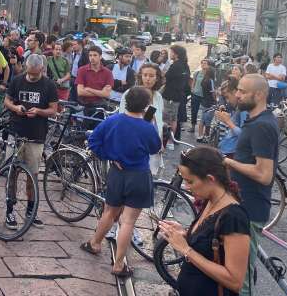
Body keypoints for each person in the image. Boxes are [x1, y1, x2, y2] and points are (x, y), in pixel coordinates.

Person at [80, 87, 162, 278]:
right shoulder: (147, 126)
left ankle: (94, 243)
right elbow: (155, 148)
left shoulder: (112, 120)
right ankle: (118, 264)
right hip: (139, 175)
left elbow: (93, 142)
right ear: (145, 106)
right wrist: (150, 124)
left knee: (109, 212)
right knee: (128, 221)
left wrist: (109, 155)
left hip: (117, 173)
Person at [159, 147, 250, 296]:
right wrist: (185, 233)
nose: (186, 186)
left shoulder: (234, 217)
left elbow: (235, 280)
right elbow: (209, 243)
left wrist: (186, 249)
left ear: (210, 179)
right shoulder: (210, 200)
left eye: (190, 181)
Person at [223, 74, 278, 296]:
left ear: (260, 94)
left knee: (240, 281)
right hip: (244, 205)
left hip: (251, 208)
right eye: (238, 90)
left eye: (243, 91)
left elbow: (264, 174)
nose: (237, 94)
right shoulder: (256, 120)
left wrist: (227, 161)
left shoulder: (261, 126)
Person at [3, 54, 59, 228]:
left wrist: (39, 111)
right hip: (16, 131)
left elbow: (53, 109)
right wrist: (15, 107)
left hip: (36, 135)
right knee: (12, 172)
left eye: (35, 74)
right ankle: (10, 210)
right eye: (29, 73)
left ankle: (30, 210)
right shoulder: (18, 80)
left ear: (42, 69)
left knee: (32, 175)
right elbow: (7, 101)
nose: (31, 77)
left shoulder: (49, 85)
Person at [119, 62, 165, 176]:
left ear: (157, 78)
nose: (148, 79)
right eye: (145, 75)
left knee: (150, 176)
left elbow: (159, 122)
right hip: (135, 144)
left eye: (151, 76)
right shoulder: (130, 94)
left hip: (152, 144)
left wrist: (161, 142)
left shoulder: (158, 96)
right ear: (140, 76)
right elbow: (122, 120)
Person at [162, 45, 190, 150]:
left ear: (176, 54)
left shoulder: (176, 65)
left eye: (171, 52)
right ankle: (171, 140)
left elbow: (165, 77)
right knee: (173, 119)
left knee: (168, 119)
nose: (170, 54)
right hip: (178, 96)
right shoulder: (184, 65)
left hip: (170, 96)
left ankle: (169, 141)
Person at [76, 44, 114, 121]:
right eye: (90, 55)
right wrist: (100, 92)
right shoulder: (82, 70)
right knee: (82, 131)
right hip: (84, 107)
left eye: (95, 55)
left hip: (100, 107)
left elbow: (106, 94)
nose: (92, 58)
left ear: (100, 56)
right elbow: (80, 92)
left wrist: (89, 89)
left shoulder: (108, 73)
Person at [215, 79, 248, 157]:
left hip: (232, 152)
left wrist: (228, 121)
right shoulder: (237, 108)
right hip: (227, 149)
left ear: (234, 92)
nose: (227, 101)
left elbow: (244, 135)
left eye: (227, 97)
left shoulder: (243, 110)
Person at [190, 59, 210, 133]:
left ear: (208, 65)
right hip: (196, 94)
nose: (203, 65)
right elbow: (193, 82)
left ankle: (203, 128)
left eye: (205, 63)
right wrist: (192, 89)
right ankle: (192, 126)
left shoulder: (209, 74)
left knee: (205, 113)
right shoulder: (197, 73)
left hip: (204, 96)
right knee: (194, 111)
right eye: (202, 63)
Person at [197, 65, 216, 142]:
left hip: (204, 101)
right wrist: (216, 99)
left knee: (202, 120)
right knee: (208, 121)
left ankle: (200, 135)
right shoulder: (211, 80)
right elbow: (212, 92)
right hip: (210, 102)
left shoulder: (204, 80)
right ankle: (206, 136)